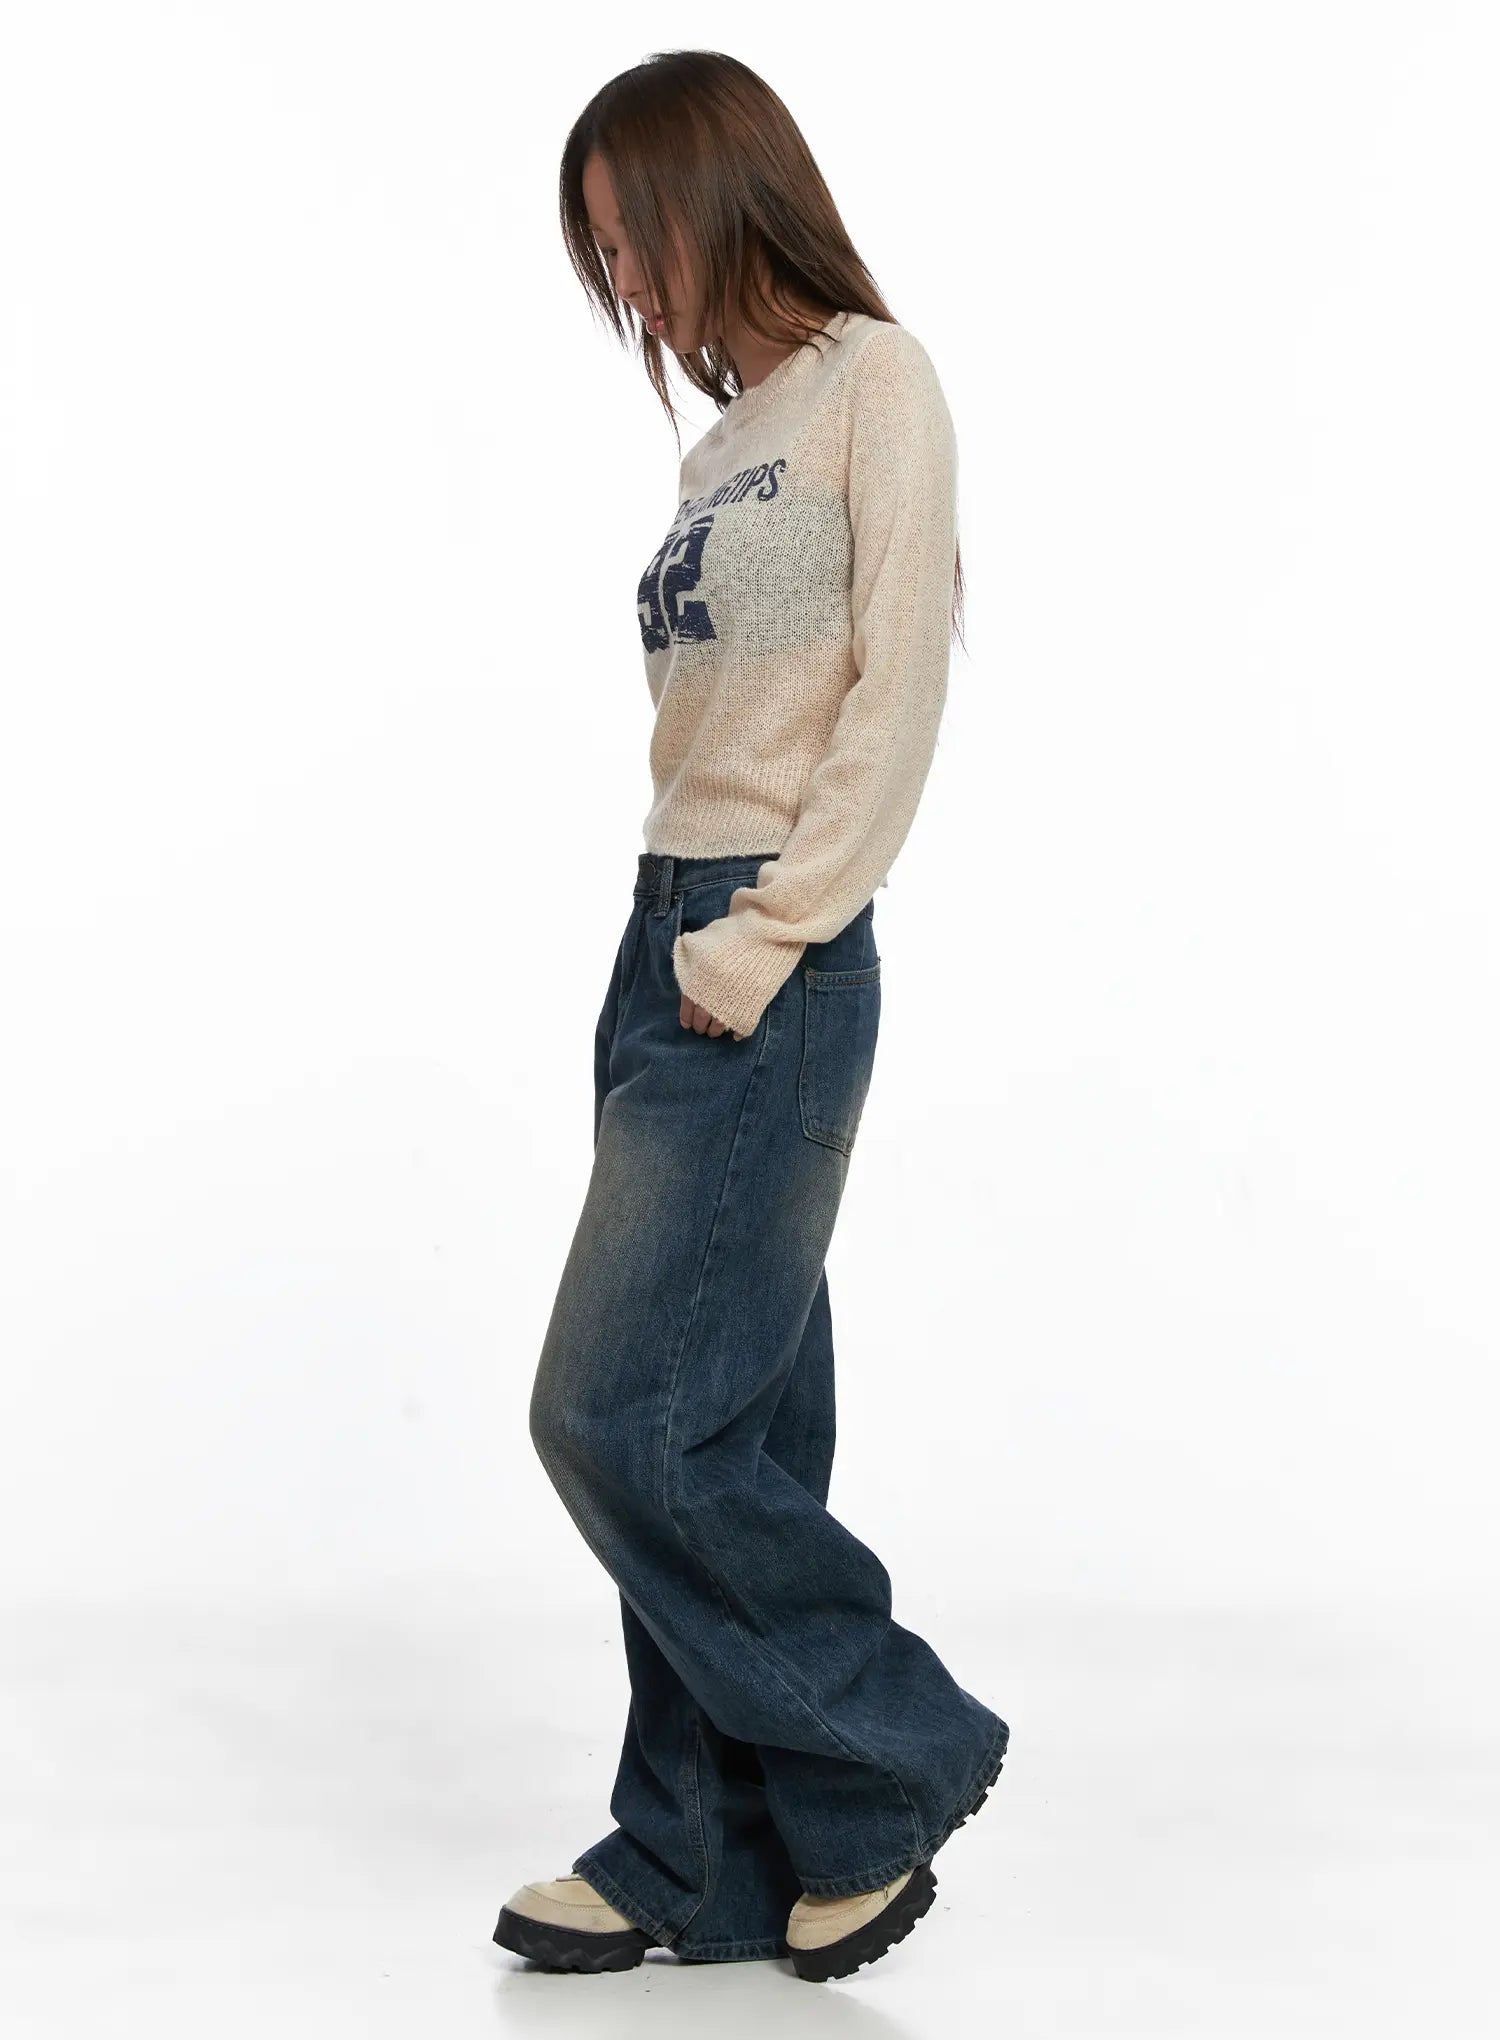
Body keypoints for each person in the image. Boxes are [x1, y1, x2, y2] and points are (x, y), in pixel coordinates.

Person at [492, 50, 1009, 1984]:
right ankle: (704, 1854)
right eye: (601, 256)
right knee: (730, 1437)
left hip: (766, 961)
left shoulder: (880, 381)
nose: (623, 282)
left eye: (629, 238)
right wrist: (683, 941)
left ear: (719, 194)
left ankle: (894, 1755)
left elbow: (894, 692)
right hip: (662, 938)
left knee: (612, 1417)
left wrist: (772, 931)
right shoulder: (723, 444)